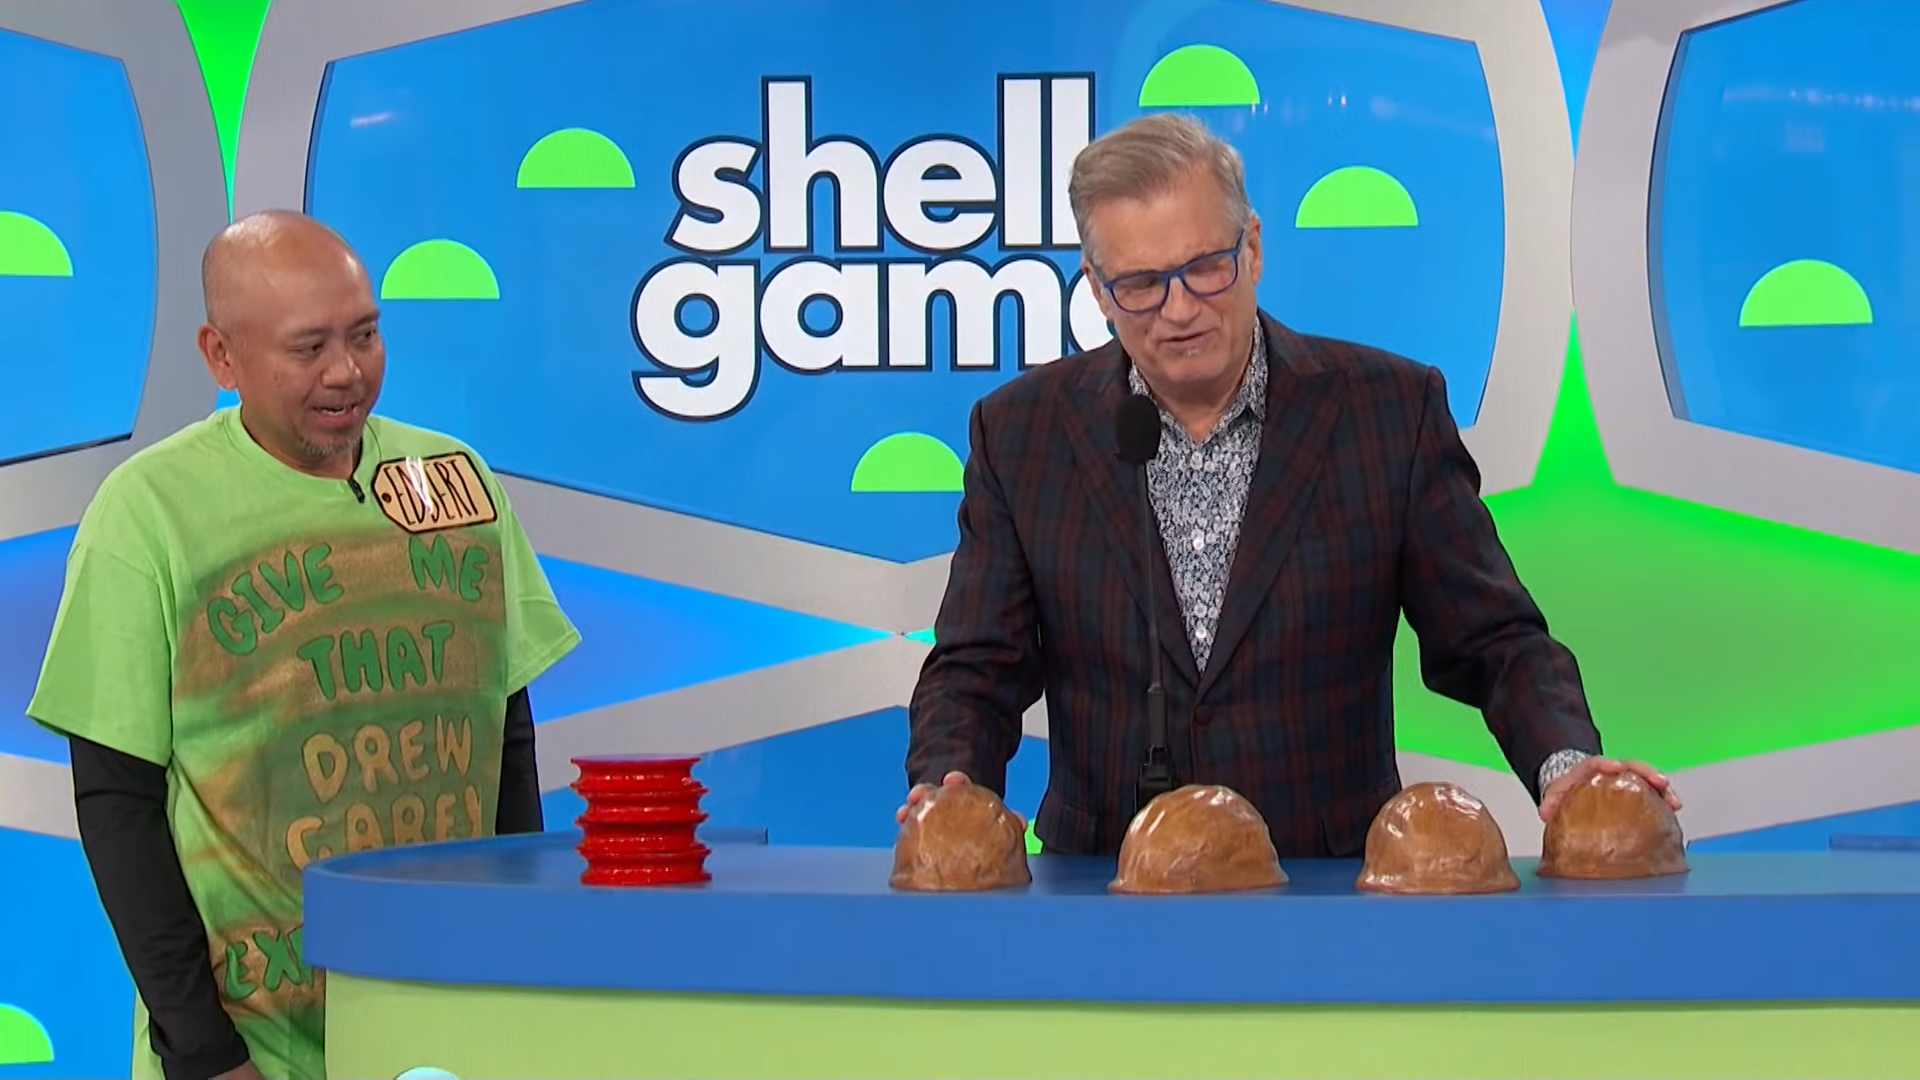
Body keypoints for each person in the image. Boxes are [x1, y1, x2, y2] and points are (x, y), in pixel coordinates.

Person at [901, 113, 1680, 855]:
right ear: (1099, 291)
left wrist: (1567, 765)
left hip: (1328, 887)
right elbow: (977, 667)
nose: (1179, 309)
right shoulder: (1023, 434)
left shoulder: (1387, 413)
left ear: (1253, 249)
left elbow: (1493, 639)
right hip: (1110, 885)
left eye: (1205, 268)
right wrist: (948, 786)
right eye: (1140, 284)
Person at [28, 211, 581, 1080]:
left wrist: (518, 973)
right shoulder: (147, 514)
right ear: (221, 356)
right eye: (309, 347)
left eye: (364, 334)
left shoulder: (456, 481)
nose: (347, 372)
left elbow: (503, 737)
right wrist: (204, 1051)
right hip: (254, 1043)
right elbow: (117, 804)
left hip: (451, 1023)